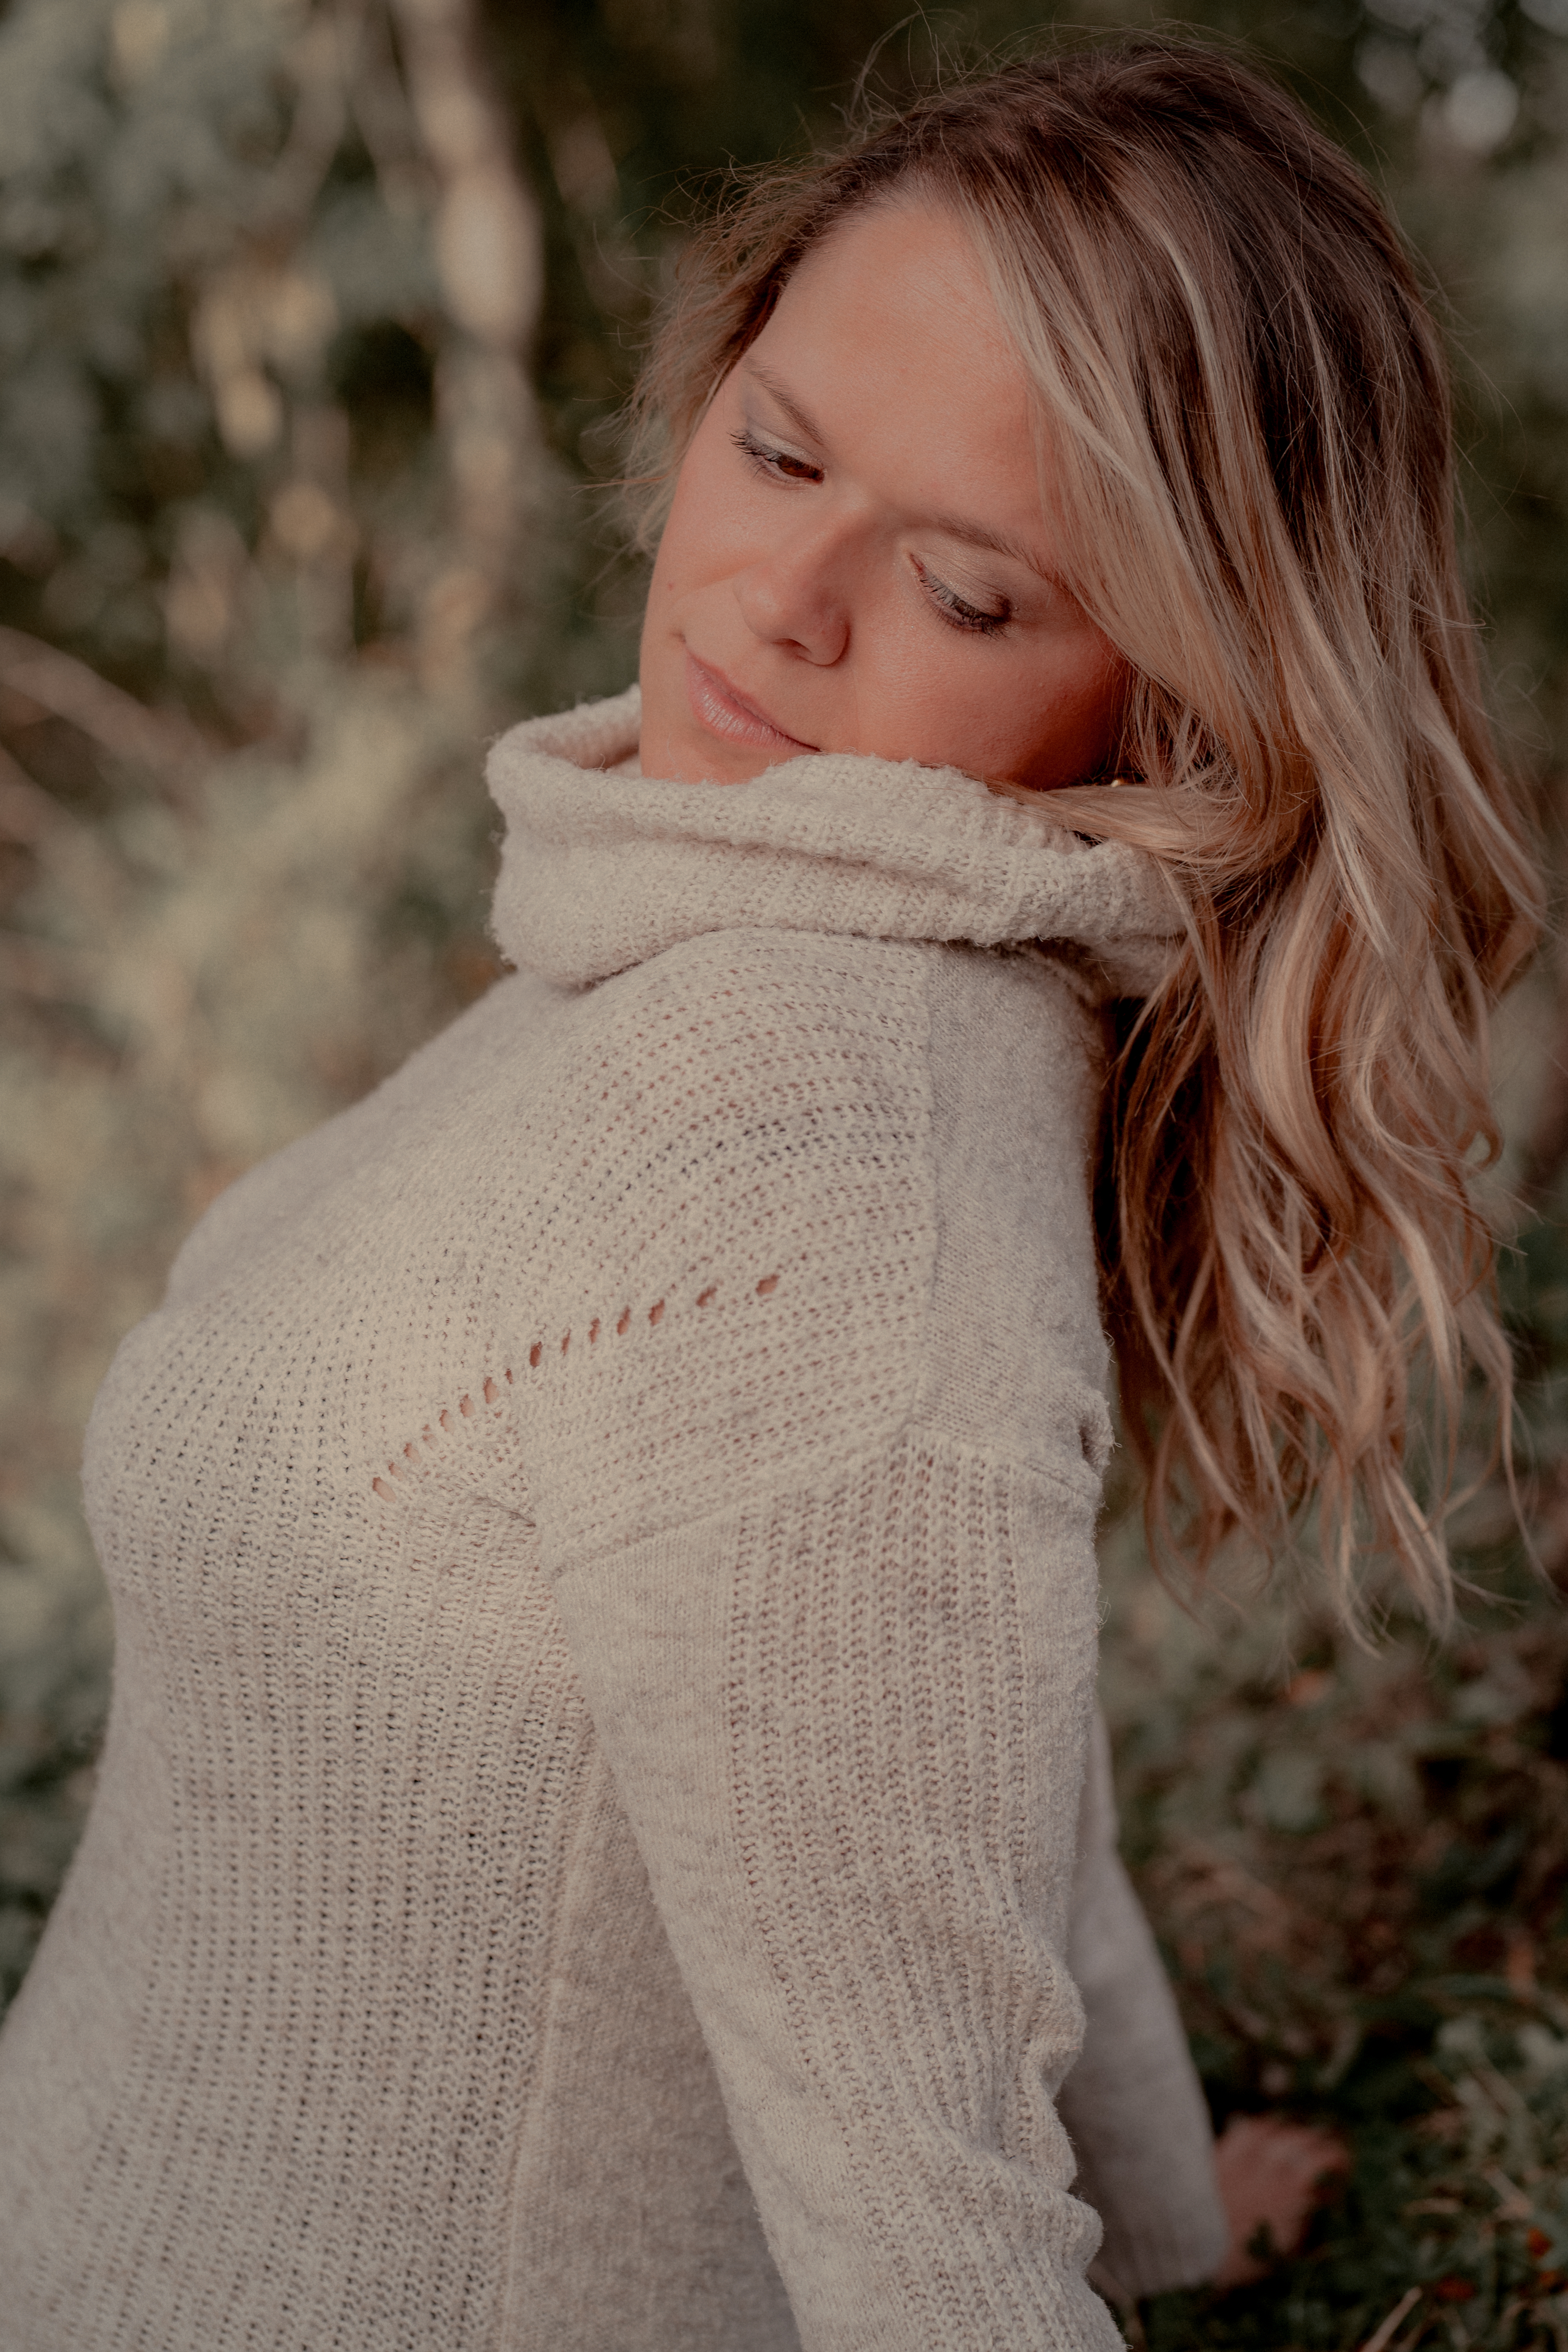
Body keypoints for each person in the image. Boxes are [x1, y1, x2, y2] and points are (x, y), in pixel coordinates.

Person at [0, 36, 1539, 2352]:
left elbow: (925, 2229)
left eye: (970, 592)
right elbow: (980, 1784)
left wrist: (1103, 2263)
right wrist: (1176, 2225)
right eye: (785, 451)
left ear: (1171, 708)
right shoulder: (714, 938)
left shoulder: (807, 1131)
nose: (784, 600)